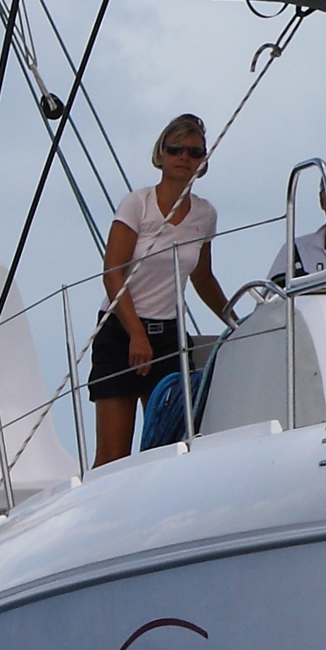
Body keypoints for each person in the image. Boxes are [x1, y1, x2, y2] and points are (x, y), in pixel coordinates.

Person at [93, 113, 227, 466]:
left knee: (165, 451)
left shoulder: (205, 214)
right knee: (113, 456)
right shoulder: (137, 204)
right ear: (161, 154)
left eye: (194, 152)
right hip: (120, 331)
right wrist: (137, 335)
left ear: (203, 161)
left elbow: (203, 277)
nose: (184, 157)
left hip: (168, 336)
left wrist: (236, 321)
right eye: (175, 149)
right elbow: (112, 273)